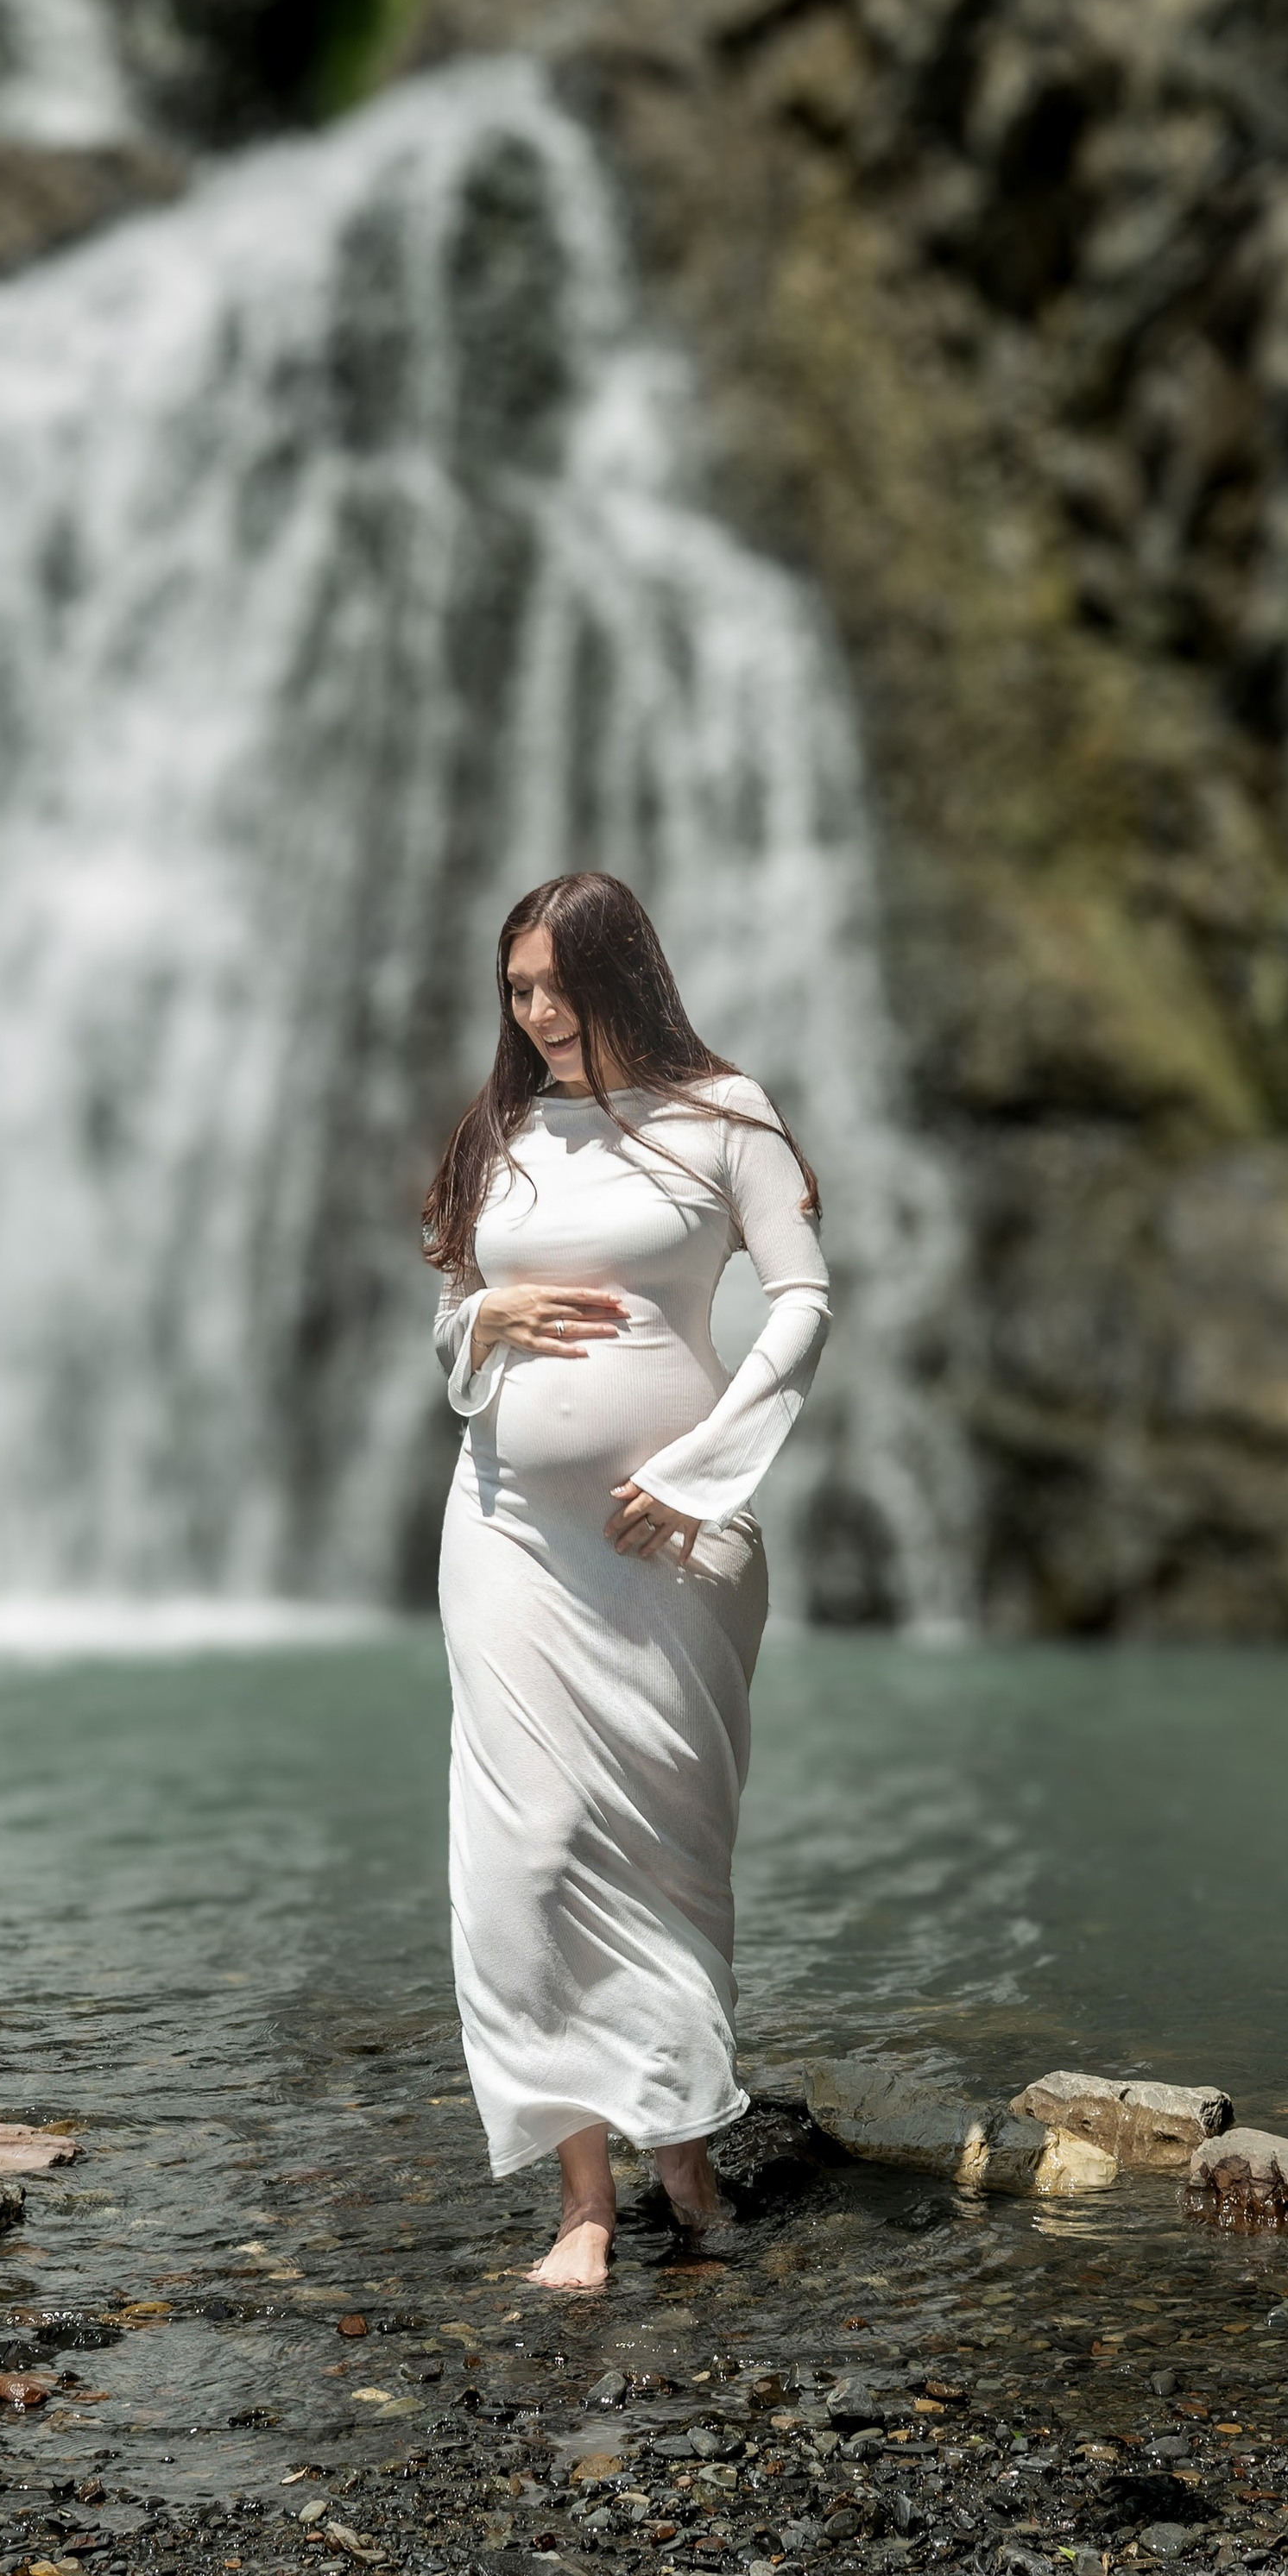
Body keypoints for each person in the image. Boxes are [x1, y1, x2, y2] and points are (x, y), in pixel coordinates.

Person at [423, 869, 830, 2290]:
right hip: (508, 1541)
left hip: (679, 1544)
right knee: (525, 1854)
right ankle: (582, 2203)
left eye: (557, 986)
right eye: (517, 990)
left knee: (665, 1854)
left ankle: (686, 2152)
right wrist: (485, 1311)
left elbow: (806, 1299)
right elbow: (450, 1337)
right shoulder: (502, 1130)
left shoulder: (727, 1117)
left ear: (626, 979)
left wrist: (707, 1472)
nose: (536, 1014)